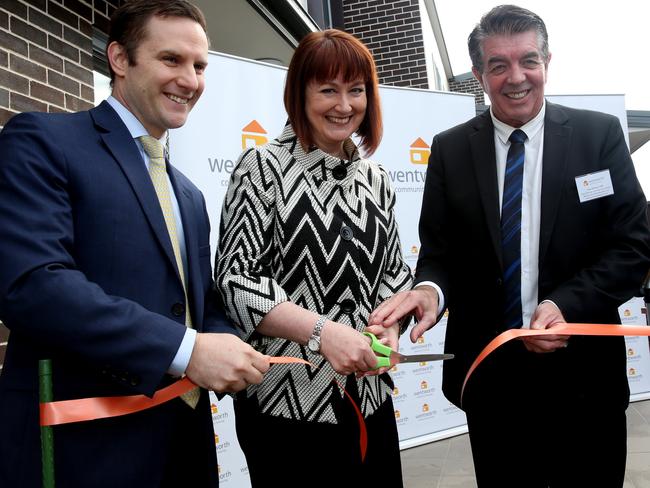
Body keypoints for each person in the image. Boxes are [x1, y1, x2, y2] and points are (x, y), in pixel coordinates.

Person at [368, 5, 650, 487]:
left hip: (585, 380)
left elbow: (633, 246)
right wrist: (430, 291)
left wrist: (564, 305)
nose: (516, 77)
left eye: (528, 61)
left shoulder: (597, 136)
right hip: (493, 381)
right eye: (498, 65)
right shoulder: (451, 149)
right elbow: (439, 252)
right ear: (478, 73)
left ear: (547, 62)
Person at [0, 1, 269, 487]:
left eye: (200, 65)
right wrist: (186, 350)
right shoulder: (42, 141)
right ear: (120, 59)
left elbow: (194, 302)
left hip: (185, 448)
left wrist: (222, 337)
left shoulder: (188, 192)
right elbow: (33, 285)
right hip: (87, 451)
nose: (190, 80)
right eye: (171, 60)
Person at [214, 29, 412, 487]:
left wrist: (389, 328)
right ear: (299, 93)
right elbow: (236, 281)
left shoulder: (377, 178)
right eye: (328, 89)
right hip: (288, 405)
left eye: (356, 90)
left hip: (369, 397)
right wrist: (323, 333)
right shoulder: (263, 167)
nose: (344, 105)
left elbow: (393, 274)